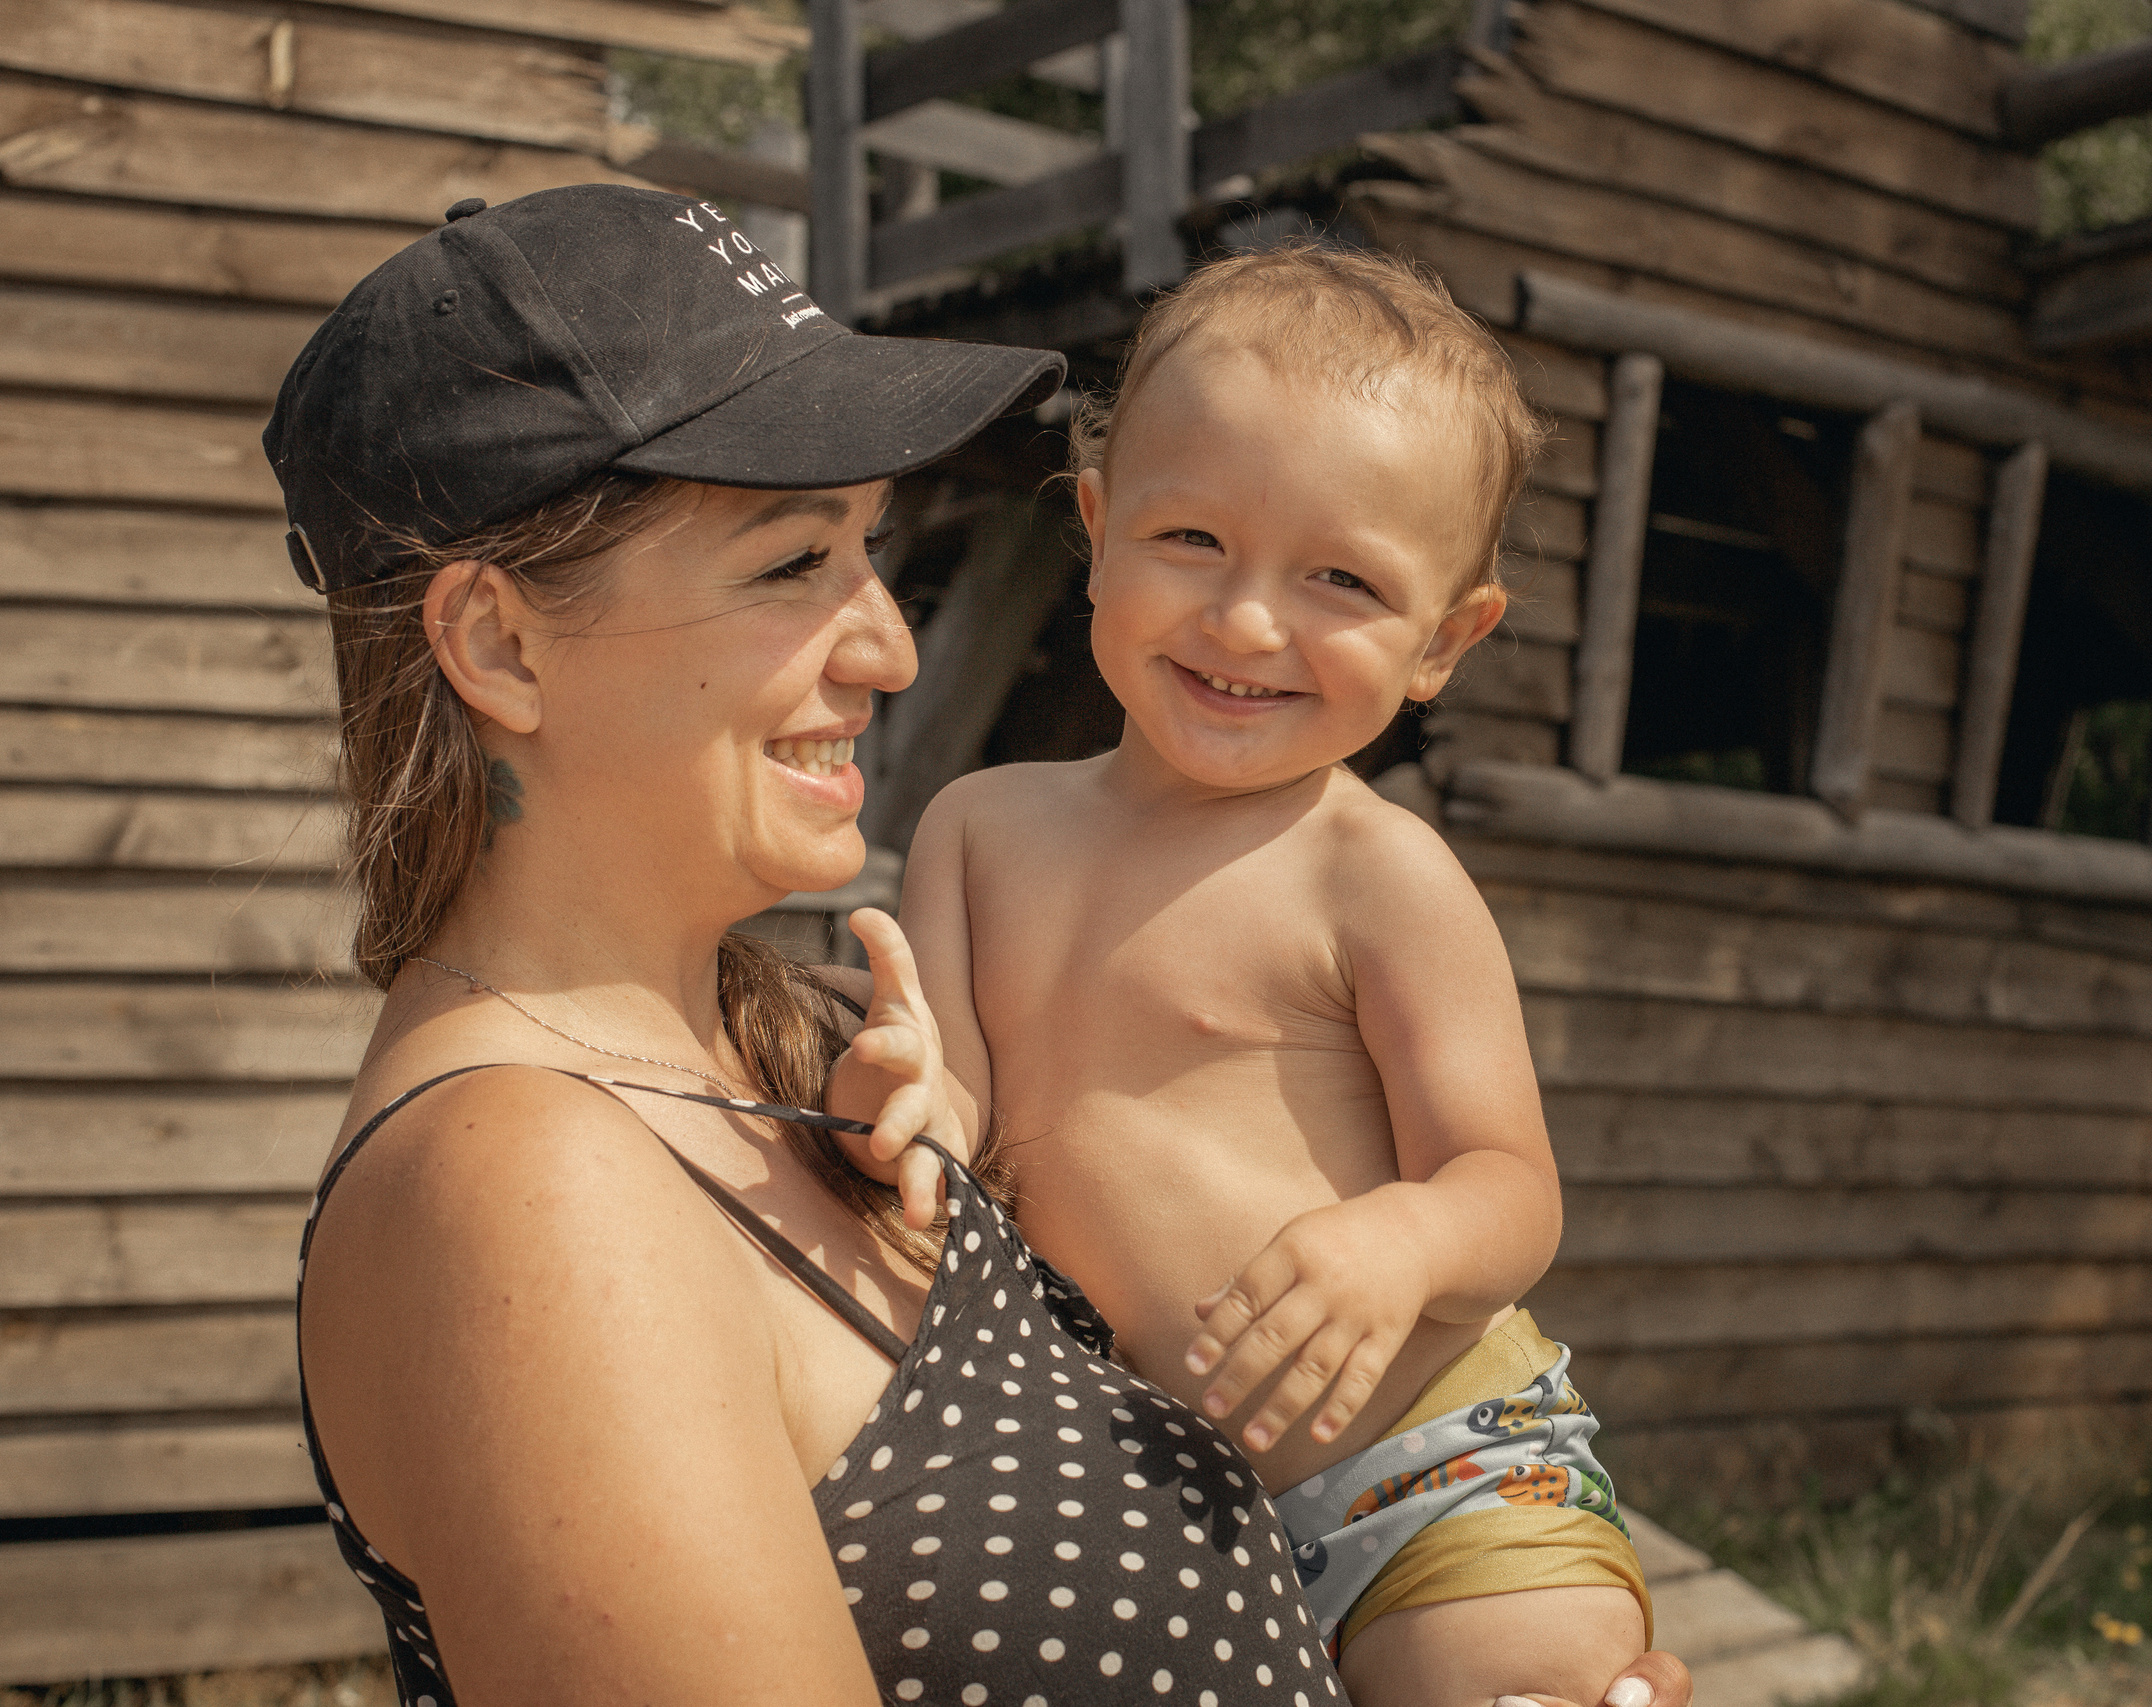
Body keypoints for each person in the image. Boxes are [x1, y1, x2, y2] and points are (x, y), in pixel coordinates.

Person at [276, 184, 1355, 1707]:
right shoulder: (527, 1182)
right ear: (499, 644)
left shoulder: (807, 1057)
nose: (889, 648)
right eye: (792, 564)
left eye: (869, 549)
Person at [897, 244, 1655, 1707]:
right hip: (1155, 1514)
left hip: (1437, 1476)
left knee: (1521, 1683)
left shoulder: (1377, 873)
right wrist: (901, 1094)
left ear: (1445, 639)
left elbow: (1509, 1185)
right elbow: (955, 1119)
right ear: (1098, 529)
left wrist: (1401, 1244)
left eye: (1341, 579)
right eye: (1192, 539)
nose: (1246, 622)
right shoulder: (976, 831)